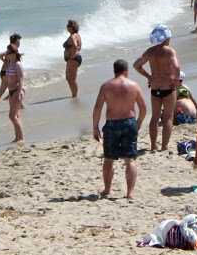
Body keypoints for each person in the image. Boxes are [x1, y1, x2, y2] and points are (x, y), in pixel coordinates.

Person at [92, 58, 148, 199]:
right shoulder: (133, 85)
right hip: (129, 123)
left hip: (112, 124)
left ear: (114, 71)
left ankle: (107, 189)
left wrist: (95, 127)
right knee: (130, 159)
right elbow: (143, 107)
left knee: (109, 159)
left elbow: (97, 107)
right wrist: (139, 122)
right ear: (126, 71)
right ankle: (130, 193)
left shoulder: (106, 86)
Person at [133, 25, 181, 154]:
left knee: (154, 117)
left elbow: (136, 65)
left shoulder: (150, 52)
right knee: (168, 117)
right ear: (166, 38)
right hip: (168, 87)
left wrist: (149, 76)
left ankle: (153, 145)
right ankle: (164, 146)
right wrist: (176, 79)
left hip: (155, 87)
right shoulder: (169, 51)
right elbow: (176, 66)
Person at [0, 45, 27, 144]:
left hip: (17, 91)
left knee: (12, 115)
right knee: (16, 115)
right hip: (11, 91)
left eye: (8, 53)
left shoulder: (17, 64)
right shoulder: (11, 64)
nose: (6, 55)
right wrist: (10, 94)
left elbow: (21, 79)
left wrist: (18, 92)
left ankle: (21, 137)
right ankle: (17, 137)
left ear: (13, 54)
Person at [62, 20, 83, 98]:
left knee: (72, 79)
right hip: (74, 58)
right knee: (68, 77)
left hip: (73, 58)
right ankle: (73, 94)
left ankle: (74, 96)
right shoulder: (77, 35)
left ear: (72, 27)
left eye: (68, 26)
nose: (67, 27)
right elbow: (78, 46)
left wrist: (73, 55)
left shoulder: (73, 36)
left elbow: (74, 46)